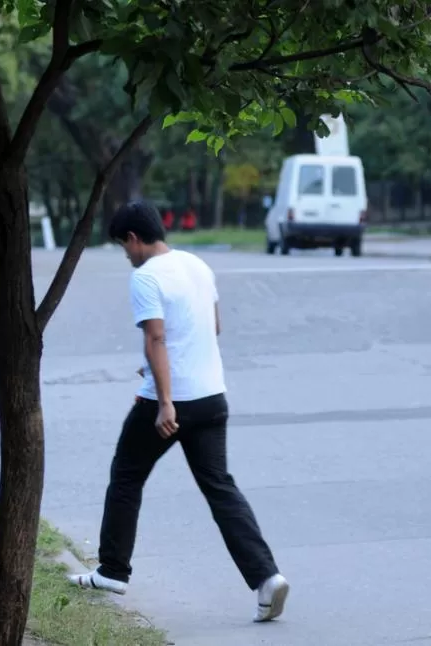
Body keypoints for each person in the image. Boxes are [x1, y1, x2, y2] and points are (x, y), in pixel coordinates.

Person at [67, 201, 289, 623]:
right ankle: (267, 578)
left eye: (123, 247)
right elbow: (211, 327)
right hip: (212, 397)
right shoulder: (196, 265)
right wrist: (157, 369)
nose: (126, 255)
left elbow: (156, 338)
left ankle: (113, 570)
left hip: (171, 401)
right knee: (220, 487)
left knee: (127, 475)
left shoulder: (145, 278)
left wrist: (164, 400)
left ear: (133, 238)